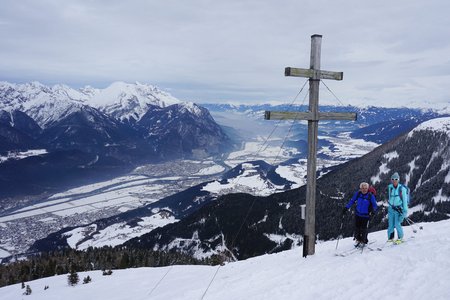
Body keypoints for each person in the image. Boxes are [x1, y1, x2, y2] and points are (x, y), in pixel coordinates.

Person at [343, 182, 378, 247]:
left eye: (365, 188)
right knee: (357, 228)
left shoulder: (370, 196)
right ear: (360, 189)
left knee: (364, 229)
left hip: (366, 215)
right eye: (362, 188)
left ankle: (364, 240)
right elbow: (352, 200)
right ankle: (358, 239)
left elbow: (375, 205)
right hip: (358, 214)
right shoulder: (358, 194)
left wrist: (373, 211)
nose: (364, 190)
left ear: (368, 189)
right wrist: (346, 207)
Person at [387, 172, 409, 244]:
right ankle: (390, 238)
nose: (394, 180)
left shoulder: (402, 189)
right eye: (393, 179)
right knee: (391, 224)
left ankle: (400, 238)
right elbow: (390, 197)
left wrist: (405, 211)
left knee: (397, 224)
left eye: (396, 179)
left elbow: (405, 201)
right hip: (391, 208)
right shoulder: (390, 188)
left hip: (398, 209)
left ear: (398, 180)